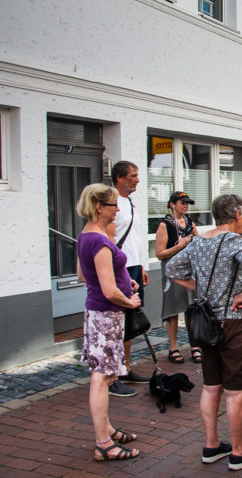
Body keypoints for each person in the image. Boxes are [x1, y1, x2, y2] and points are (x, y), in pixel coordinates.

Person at [166, 194, 242, 470]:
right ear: (237, 214)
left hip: (207, 322)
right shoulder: (235, 241)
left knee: (211, 387)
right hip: (235, 322)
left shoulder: (199, 241)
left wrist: (197, 287)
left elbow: (171, 267)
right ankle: (238, 452)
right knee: (235, 391)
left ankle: (211, 446)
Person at [76, 183, 142, 461]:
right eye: (114, 205)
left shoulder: (87, 235)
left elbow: (83, 275)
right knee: (102, 378)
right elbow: (108, 291)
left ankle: (107, 429)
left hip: (98, 313)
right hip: (106, 314)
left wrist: (126, 281)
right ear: (99, 207)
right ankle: (103, 443)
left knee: (103, 375)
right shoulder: (100, 241)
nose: (118, 210)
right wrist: (129, 301)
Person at [110, 161, 150, 397]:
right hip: (119, 268)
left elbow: (133, 236)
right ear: (119, 178)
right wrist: (119, 269)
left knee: (131, 319)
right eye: (133, 176)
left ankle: (124, 367)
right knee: (118, 319)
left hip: (134, 266)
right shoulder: (111, 202)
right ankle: (113, 374)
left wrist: (141, 264)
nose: (137, 180)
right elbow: (110, 240)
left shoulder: (131, 202)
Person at [155, 191, 200, 364]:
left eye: (188, 203)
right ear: (172, 204)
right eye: (182, 203)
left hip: (189, 269)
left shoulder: (189, 222)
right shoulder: (164, 225)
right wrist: (179, 246)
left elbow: (198, 242)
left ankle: (194, 345)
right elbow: (160, 254)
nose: (186, 206)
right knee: (172, 308)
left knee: (192, 308)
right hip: (171, 270)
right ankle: (173, 347)